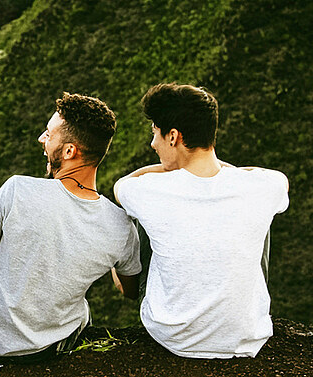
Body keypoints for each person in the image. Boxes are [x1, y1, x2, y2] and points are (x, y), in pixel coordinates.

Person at [0, 92, 141, 363]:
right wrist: (109, 252)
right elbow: (130, 291)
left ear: (69, 151)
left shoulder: (17, 189)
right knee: (83, 311)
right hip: (46, 350)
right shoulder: (121, 227)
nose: (41, 139)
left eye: (48, 134)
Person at [114, 83, 289, 358]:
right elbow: (278, 178)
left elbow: (122, 186)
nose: (152, 144)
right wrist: (224, 170)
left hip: (172, 334)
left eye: (155, 134)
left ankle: (132, 290)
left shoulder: (148, 189)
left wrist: (168, 169)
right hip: (246, 337)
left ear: (173, 136)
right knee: (258, 214)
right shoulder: (262, 187)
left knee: (140, 216)